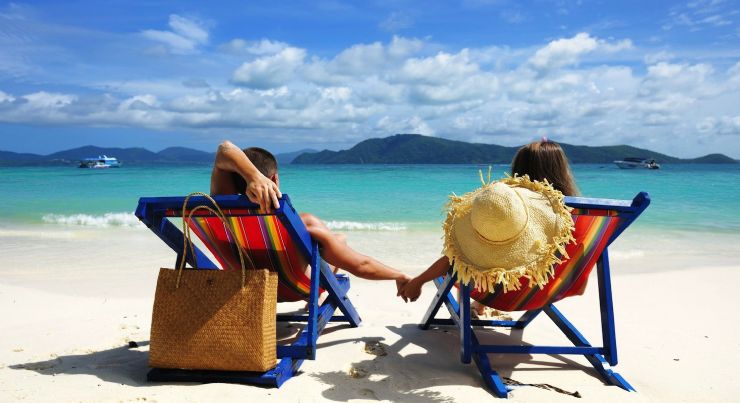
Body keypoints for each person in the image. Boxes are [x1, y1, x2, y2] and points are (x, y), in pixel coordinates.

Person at [210, 140, 411, 293]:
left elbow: (224, 150)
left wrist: (251, 176)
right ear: (274, 179)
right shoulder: (301, 223)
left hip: (245, 288)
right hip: (295, 290)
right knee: (338, 239)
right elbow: (361, 266)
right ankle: (323, 294)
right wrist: (399, 275)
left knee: (335, 240)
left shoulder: (219, 213)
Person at [399, 139, 577, 303]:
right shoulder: (576, 214)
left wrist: (418, 281)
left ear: (519, 169)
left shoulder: (505, 206)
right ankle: (480, 307)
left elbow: (455, 258)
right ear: (562, 169)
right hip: (550, 288)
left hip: (498, 291)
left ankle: (471, 308)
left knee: (467, 256)